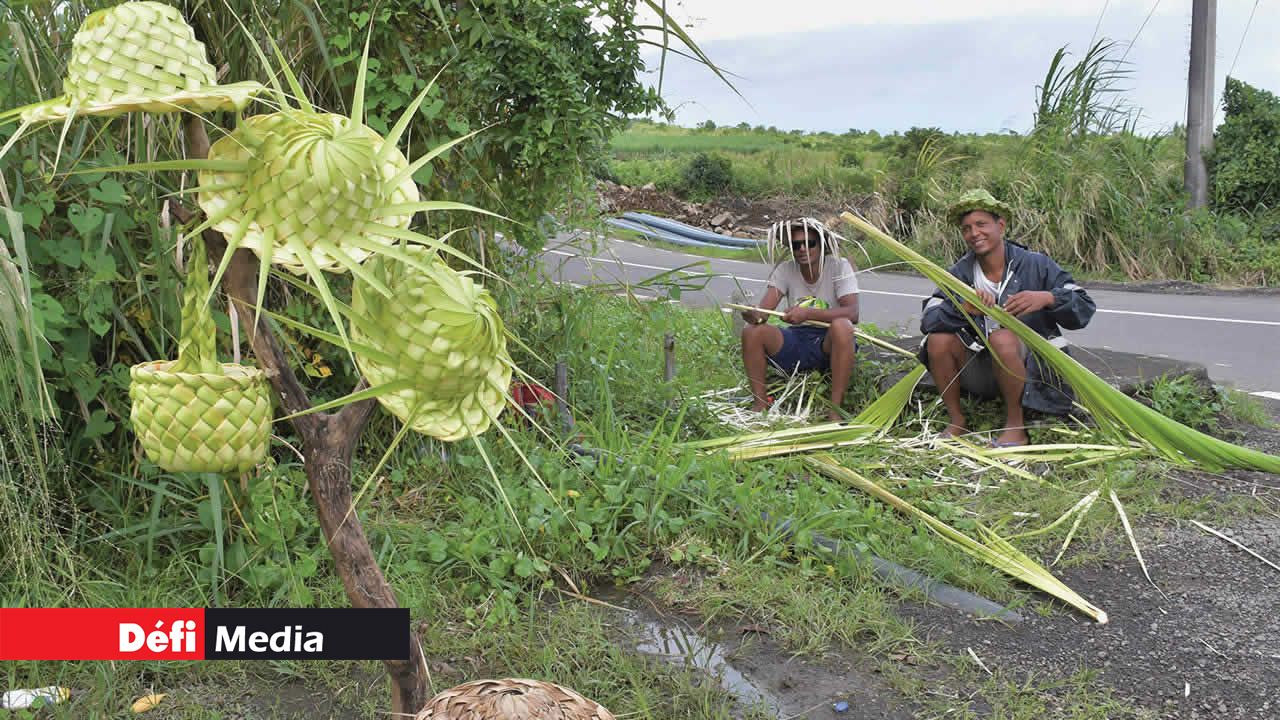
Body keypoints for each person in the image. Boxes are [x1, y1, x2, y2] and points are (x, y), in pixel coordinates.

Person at [919, 189, 1096, 447]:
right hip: (981, 369)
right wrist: (961, 308)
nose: (974, 233)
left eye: (981, 224)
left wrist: (1047, 298)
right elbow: (929, 318)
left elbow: (1083, 305)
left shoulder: (1036, 264)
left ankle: (1016, 427)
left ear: (1000, 225)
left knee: (1002, 338)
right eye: (967, 228)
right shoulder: (959, 273)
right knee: (937, 340)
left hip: (1032, 370)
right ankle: (956, 420)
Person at [740, 217, 859, 421]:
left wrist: (808, 313)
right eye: (796, 245)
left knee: (843, 326)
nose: (803, 249)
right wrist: (754, 315)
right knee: (752, 332)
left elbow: (853, 313)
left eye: (809, 243)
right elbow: (765, 312)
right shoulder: (786, 269)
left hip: (830, 340)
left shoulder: (839, 266)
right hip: (797, 338)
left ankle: (835, 410)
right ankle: (760, 404)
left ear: (821, 245)